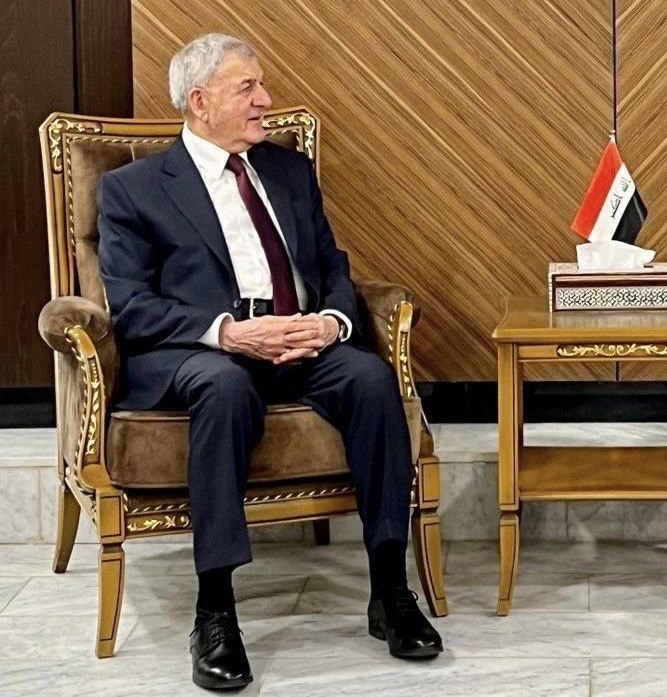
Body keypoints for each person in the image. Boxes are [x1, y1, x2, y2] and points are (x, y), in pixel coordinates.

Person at [98, 34, 442, 691]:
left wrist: (331, 321)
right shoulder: (134, 189)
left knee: (371, 379)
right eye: (248, 88)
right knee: (224, 388)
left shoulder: (287, 171)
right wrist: (229, 334)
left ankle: (390, 592)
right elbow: (132, 306)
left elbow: (332, 267)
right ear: (200, 102)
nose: (266, 99)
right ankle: (215, 611)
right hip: (205, 351)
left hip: (298, 340)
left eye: (262, 85)